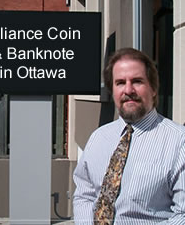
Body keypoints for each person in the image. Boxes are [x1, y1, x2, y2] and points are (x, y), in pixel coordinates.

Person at [73, 48, 185, 224]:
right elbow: (84, 195)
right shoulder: (98, 138)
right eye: (120, 83)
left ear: (153, 89)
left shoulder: (178, 141)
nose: (128, 90)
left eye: (137, 81)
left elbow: (183, 214)